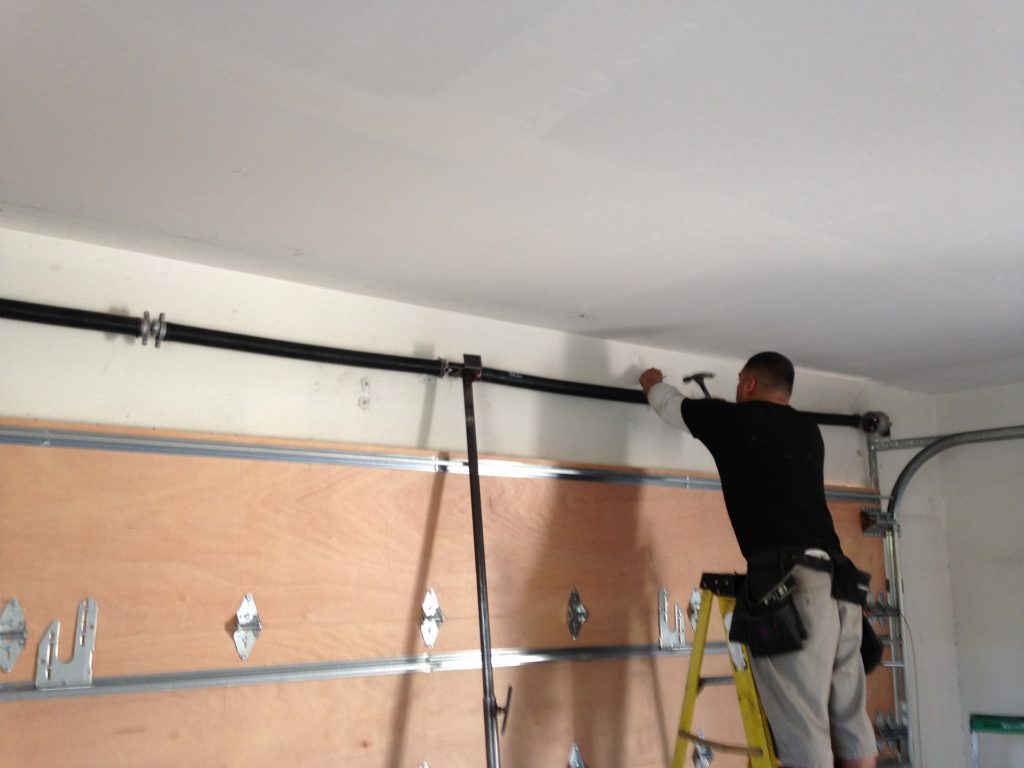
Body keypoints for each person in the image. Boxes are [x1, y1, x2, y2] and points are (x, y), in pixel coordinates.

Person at [639, 352, 877, 768]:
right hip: (841, 584)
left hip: (794, 585)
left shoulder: (733, 422)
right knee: (850, 717)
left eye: (738, 382)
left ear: (749, 383)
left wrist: (650, 381)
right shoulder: (808, 430)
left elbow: (670, 405)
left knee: (803, 727)